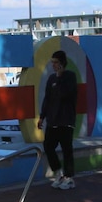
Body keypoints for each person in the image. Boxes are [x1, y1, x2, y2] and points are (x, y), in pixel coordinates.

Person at [37, 50, 78, 190]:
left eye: (56, 62)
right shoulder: (51, 79)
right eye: (52, 62)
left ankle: (69, 178)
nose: (53, 65)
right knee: (48, 146)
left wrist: (60, 77)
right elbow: (47, 99)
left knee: (67, 149)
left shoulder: (70, 77)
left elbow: (65, 94)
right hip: (52, 121)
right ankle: (58, 173)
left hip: (66, 120)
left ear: (62, 63)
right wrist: (42, 117)